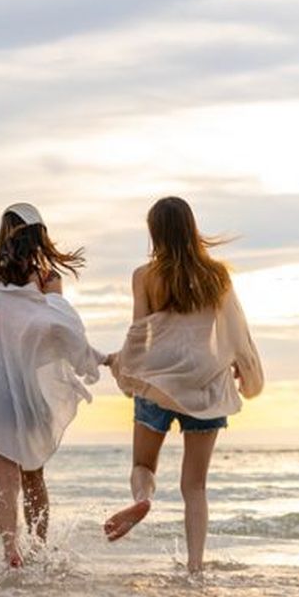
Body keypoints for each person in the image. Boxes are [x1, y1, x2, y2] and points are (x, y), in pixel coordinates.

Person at [103, 196, 264, 573]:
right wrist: (246, 368)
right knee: (195, 487)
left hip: (158, 383)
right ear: (191, 228)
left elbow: (139, 334)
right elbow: (237, 330)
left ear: (155, 232)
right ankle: (195, 568)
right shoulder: (217, 275)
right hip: (206, 386)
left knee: (144, 465)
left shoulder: (145, 276)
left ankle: (143, 499)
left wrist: (122, 365)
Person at [0, 203, 105, 567]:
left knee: (4, 483)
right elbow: (54, 335)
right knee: (34, 477)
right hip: (30, 396)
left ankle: (9, 551)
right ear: (39, 235)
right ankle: (38, 548)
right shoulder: (48, 280)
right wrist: (95, 358)